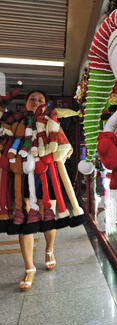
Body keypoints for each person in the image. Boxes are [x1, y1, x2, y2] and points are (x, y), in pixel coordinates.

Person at [18, 90, 57, 291]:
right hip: (23, 175)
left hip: (47, 174)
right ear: (26, 104)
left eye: (40, 100)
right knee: (26, 218)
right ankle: (29, 268)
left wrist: (64, 155)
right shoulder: (18, 123)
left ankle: (49, 249)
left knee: (47, 215)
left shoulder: (50, 121)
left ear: (45, 105)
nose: (35, 102)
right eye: (32, 99)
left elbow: (64, 145)